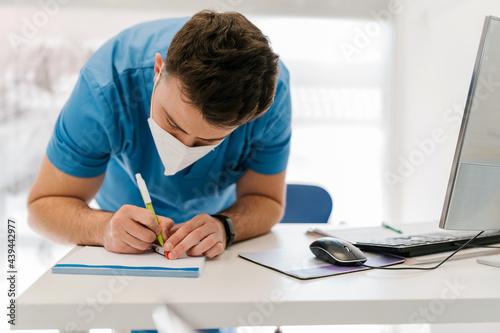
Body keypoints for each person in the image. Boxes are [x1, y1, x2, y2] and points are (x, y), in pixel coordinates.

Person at [27, 10, 291, 263]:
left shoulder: (267, 98)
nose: (182, 147)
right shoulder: (106, 86)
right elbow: (43, 207)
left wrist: (225, 226)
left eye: (206, 141)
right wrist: (103, 229)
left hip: (212, 249)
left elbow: (267, 200)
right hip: (120, 236)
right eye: (172, 123)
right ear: (158, 70)